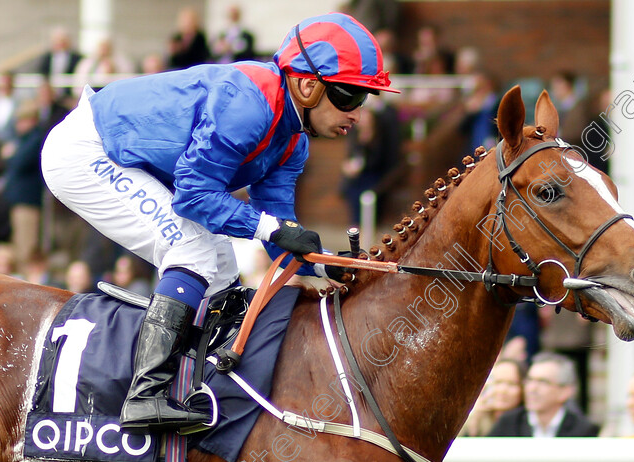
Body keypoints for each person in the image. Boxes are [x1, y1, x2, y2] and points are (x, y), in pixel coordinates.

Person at [40, 12, 399, 433]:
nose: (357, 113)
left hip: (126, 159)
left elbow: (279, 229)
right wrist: (271, 230)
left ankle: (201, 380)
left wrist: (320, 264)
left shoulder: (293, 141)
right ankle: (144, 395)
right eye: (351, 96)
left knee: (224, 267)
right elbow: (196, 196)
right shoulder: (248, 104)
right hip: (87, 152)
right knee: (191, 249)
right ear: (308, 84)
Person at [452, 352, 600, 462]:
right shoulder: (510, 422)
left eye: (542, 382)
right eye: (529, 380)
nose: (531, 388)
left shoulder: (583, 428)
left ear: (565, 391)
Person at [2, 100, 45, 273]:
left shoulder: (35, 139)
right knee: (18, 246)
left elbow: (19, 162)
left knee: (26, 247)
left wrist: (10, 155)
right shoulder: (23, 140)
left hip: (28, 203)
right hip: (19, 202)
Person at [460, 358, 526, 438]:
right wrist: (474, 423)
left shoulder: (528, 423)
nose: (502, 390)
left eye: (511, 384)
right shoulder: (476, 418)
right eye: (498, 382)